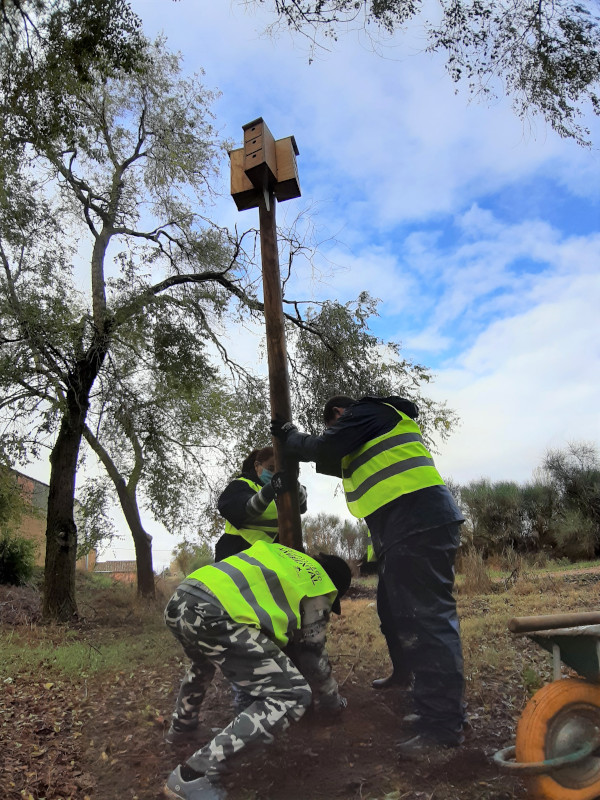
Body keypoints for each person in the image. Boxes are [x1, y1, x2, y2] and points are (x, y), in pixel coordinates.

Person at [271, 395, 466, 755]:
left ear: (339, 414)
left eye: (333, 424)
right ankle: (435, 712)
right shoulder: (366, 434)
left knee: (427, 622)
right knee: (405, 619)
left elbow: (326, 445)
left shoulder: (367, 412)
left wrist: (289, 434)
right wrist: (292, 455)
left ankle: (442, 728)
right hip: (409, 525)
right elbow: (326, 456)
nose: (334, 430)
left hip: (416, 521)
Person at [163, 541, 352, 800]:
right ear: (335, 587)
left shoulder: (285, 557)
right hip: (215, 612)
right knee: (293, 694)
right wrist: (331, 702)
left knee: (202, 664)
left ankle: (182, 727)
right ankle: (195, 775)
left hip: (182, 598)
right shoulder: (318, 584)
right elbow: (313, 656)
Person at [214, 446, 307, 561]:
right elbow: (246, 509)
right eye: (271, 468)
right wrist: (270, 488)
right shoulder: (241, 485)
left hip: (273, 555)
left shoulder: (281, 493)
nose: (274, 474)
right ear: (257, 466)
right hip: (238, 553)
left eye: (278, 471)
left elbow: (301, 506)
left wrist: (293, 482)